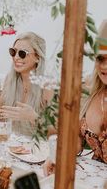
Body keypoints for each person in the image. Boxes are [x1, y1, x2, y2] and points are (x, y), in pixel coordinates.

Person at [44, 20, 107, 175]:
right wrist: (58, 157)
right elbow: (77, 139)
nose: (104, 66)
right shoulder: (88, 89)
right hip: (95, 180)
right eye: (100, 59)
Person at [0, 32, 53, 135]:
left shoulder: (47, 87)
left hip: (37, 147)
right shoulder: (9, 81)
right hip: (12, 143)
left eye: (22, 53)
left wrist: (34, 118)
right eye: (13, 52)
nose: (16, 57)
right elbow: (1, 115)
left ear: (37, 57)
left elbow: (57, 131)